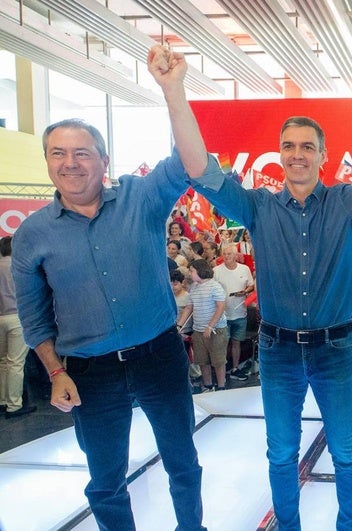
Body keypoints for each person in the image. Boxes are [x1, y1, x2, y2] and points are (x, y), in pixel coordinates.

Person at [178, 106, 352, 529]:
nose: (298, 154)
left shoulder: (347, 202)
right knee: (281, 454)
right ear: (279, 152)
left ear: (323, 155)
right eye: (290, 146)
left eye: (307, 147)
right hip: (278, 351)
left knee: (348, 452)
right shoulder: (257, 207)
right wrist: (174, 93)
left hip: (335, 349)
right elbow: (203, 171)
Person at [10, 45, 210, 531]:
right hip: (88, 372)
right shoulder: (33, 235)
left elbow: (189, 161)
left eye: (82, 153)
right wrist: (55, 370)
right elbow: (35, 318)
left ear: (104, 160)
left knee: (182, 461)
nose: (70, 163)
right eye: (58, 154)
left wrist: (173, 92)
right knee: (105, 480)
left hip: (158, 356)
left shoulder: (142, 198)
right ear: (47, 163)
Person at [179, 259, 228, 393]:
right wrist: (179, 326)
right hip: (198, 329)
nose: (190, 274)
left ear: (201, 271)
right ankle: (207, 385)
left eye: (192, 271)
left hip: (216, 330)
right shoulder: (193, 287)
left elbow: (221, 307)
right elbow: (189, 308)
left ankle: (221, 387)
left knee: (218, 360)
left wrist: (210, 326)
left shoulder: (215, 286)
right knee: (202, 360)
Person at [0, 236, 35, 418]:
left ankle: (3, 401)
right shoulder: (19, 267)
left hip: (0, 317)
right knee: (16, 363)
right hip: (17, 318)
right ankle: (14, 405)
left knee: (3, 362)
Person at [213, 243, 254, 381]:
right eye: (224, 254)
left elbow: (250, 286)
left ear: (236, 255)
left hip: (240, 311)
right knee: (223, 343)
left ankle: (235, 368)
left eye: (229, 254)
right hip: (222, 314)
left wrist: (245, 292)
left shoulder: (244, 269)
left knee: (236, 342)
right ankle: (222, 370)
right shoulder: (216, 270)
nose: (226, 256)